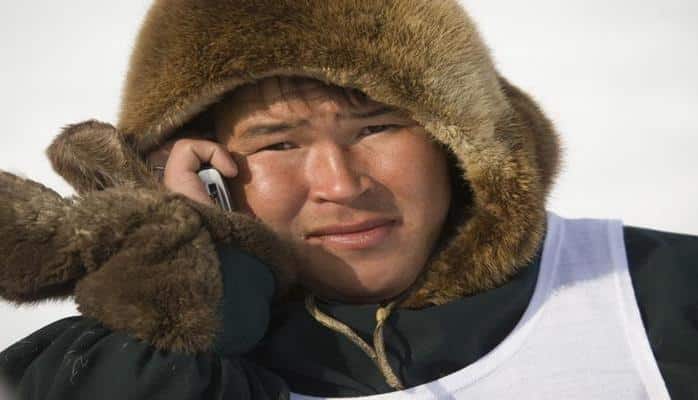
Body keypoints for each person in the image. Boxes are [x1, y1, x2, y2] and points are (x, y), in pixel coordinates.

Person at [0, 1, 696, 399]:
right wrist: (188, 284)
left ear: (460, 140)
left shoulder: (657, 292)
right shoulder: (92, 367)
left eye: (377, 128)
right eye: (278, 143)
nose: (340, 184)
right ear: (199, 166)